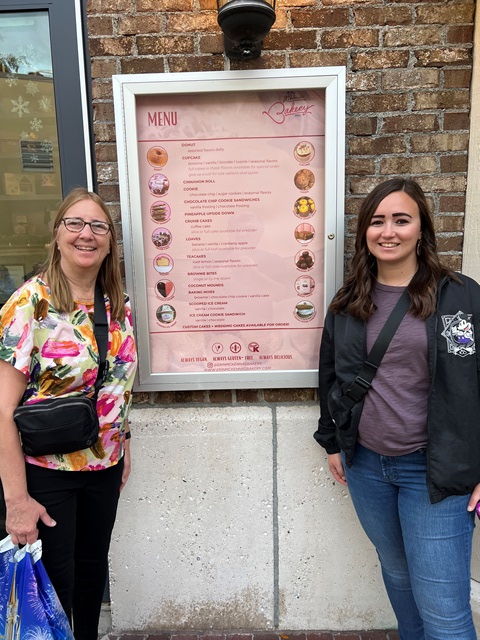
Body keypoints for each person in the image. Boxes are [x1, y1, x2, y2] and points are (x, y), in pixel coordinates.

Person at [314, 178, 480, 640]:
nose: (388, 232)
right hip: (366, 467)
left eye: (401, 220)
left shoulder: (461, 298)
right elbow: (331, 375)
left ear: (421, 228)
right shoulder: (348, 301)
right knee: (399, 575)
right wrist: (332, 442)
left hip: (437, 472)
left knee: (444, 612)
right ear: (364, 232)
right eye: (377, 221)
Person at [0, 188, 137, 640]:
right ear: (57, 236)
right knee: (54, 587)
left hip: (105, 467)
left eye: (98, 226)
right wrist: (17, 502)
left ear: (110, 242)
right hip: (47, 472)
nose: (86, 234)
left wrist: (124, 442)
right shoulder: (29, 304)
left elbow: (115, 382)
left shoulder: (117, 304)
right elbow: (1, 411)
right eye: (74, 223)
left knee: (92, 575)